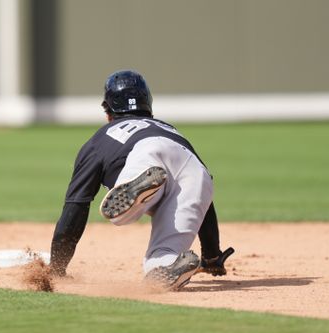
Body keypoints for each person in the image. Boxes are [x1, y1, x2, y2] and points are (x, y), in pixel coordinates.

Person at [49, 70, 233, 290]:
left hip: (145, 154)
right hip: (195, 171)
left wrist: (56, 269)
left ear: (108, 110)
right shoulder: (169, 129)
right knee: (163, 253)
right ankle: (170, 262)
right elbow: (205, 203)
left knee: (122, 216)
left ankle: (138, 186)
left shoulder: (100, 139)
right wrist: (212, 256)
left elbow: (76, 207)